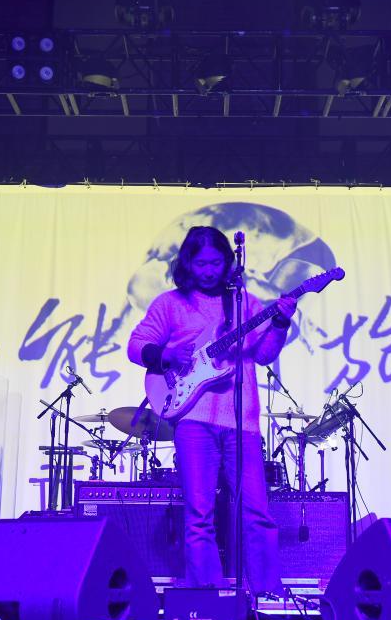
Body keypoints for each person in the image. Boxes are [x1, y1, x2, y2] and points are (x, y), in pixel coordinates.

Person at [127, 226, 296, 595]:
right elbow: (136, 345)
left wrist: (281, 322)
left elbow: (264, 355)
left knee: (257, 512)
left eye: (216, 263)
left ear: (228, 262)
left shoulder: (244, 303)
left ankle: (267, 593)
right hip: (194, 421)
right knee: (199, 515)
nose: (209, 271)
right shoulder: (171, 304)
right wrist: (166, 354)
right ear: (188, 263)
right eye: (201, 263)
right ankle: (206, 596)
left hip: (242, 422)